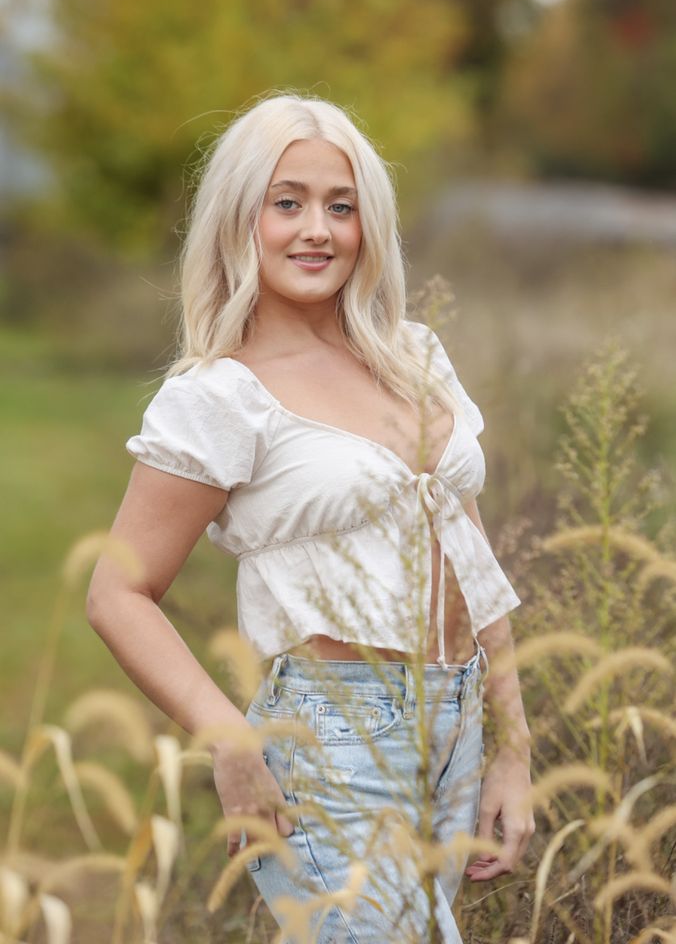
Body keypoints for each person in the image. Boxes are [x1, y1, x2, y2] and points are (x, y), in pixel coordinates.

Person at [86, 91, 535, 944]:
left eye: (342, 206)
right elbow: (117, 591)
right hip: (334, 740)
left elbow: (472, 557)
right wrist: (229, 741)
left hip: (457, 723)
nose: (316, 230)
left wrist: (511, 746)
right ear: (239, 219)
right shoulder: (221, 396)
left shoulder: (416, 357)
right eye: (286, 203)